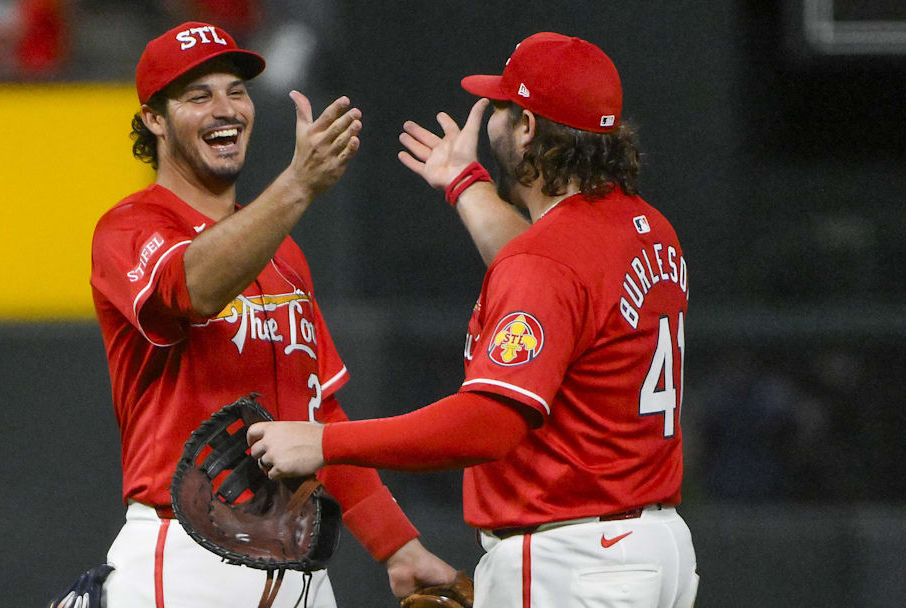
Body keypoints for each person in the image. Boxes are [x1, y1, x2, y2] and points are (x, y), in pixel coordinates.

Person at [248, 32, 699, 607]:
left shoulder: (548, 260)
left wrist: (326, 442)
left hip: (572, 558)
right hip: (654, 549)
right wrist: (465, 182)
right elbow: (554, 275)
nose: (493, 120)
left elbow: (488, 422)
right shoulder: (648, 230)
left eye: (504, 108)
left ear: (530, 128)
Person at [85, 20, 455, 608]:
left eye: (236, 91)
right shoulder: (129, 228)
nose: (224, 108)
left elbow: (320, 416)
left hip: (301, 559)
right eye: (198, 95)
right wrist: (298, 186)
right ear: (154, 119)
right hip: (188, 551)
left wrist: (397, 547)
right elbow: (191, 290)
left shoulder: (282, 249)